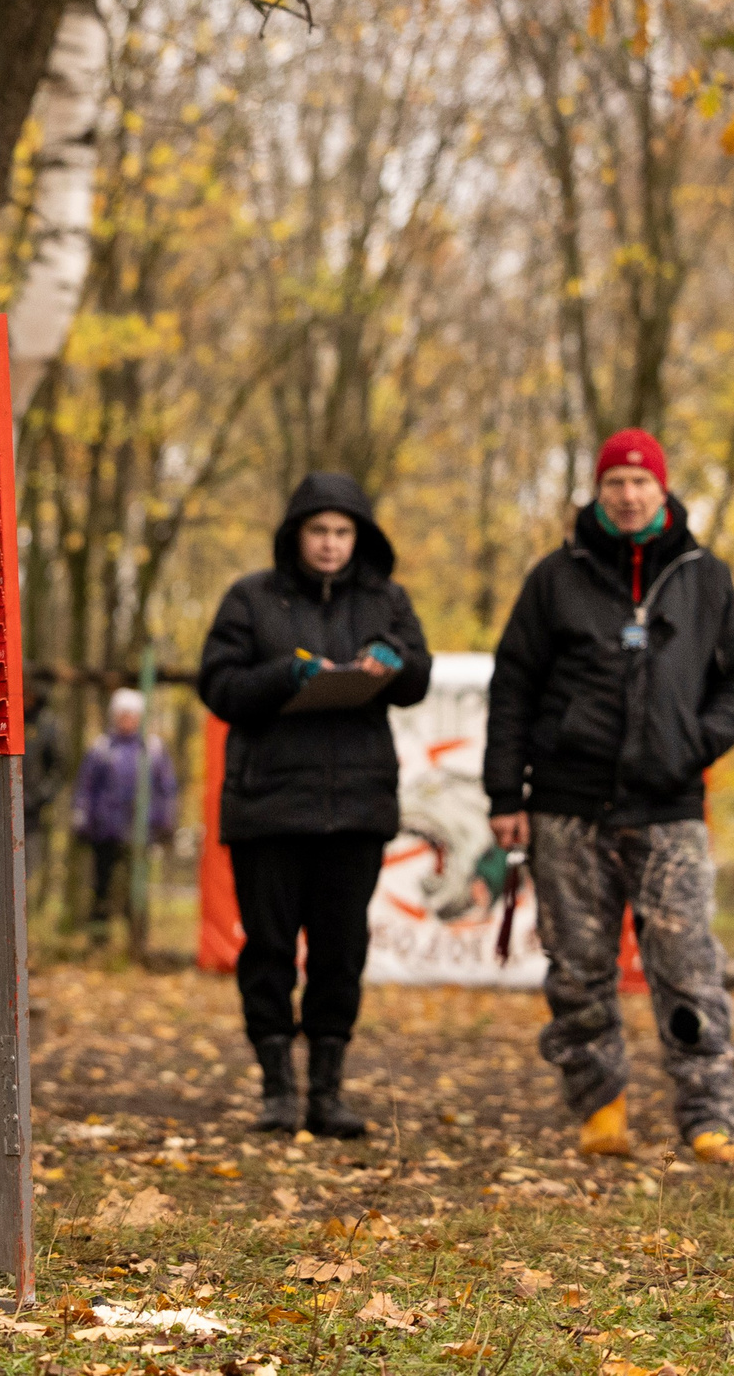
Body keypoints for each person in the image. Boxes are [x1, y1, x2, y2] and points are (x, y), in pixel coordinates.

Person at [484, 429, 734, 1165]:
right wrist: (503, 791)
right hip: (565, 805)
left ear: (663, 490)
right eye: (616, 482)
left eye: (642, 482)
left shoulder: (705, 577)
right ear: (599, 491)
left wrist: (695, 743)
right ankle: (600, 1103)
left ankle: (711, 1117)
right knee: (578, 968)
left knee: (687, 969)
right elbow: (512, 686)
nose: (629, 495)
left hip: (669, 808)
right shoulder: (556, 577)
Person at [197, 473, 432, 1139]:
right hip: (268, 807)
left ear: (359, 538)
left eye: (342, 532)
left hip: (355, 810)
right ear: (295, 534)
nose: (330, 544)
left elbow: (418, 678)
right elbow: (218, 686)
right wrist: (284, 675)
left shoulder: (387, 600)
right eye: (318, 530)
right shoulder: (249, 598)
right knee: (268, 948)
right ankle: (277, 1087)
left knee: (339, 950)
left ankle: (327, 1091)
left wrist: (395, 661)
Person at [68, 688, 178, 930]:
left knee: (137, 888)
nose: (127, 719)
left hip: (141, 831)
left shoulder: (153, 749)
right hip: (106, 830)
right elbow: (86, 787)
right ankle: (99, 938)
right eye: (122, 714)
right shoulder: (101, 749)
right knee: (102, 886)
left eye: (132, 715)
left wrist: (165, 822)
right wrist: (82, 818)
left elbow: (166, 789)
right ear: (115, 716)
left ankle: (136, 941)